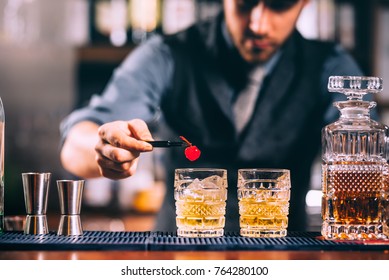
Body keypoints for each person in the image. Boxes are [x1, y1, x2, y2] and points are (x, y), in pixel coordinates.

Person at [60, 0, 367, 233]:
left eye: (279, 4)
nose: (258, 24)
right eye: (245, 4)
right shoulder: (167, 54)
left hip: (283, 256)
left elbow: (366, 156)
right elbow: (76, 143)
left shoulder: (330, 66)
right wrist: (104, 149)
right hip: (178, 255)